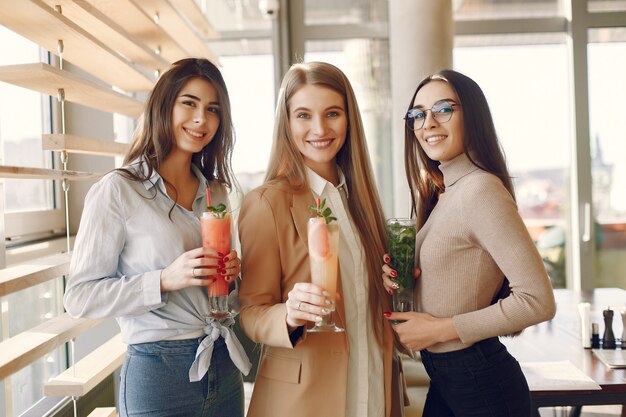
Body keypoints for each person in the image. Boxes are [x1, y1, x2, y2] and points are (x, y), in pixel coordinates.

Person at [64, 58, 251, 417]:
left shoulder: (215, 193)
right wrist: (163, 280)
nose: (201, 119)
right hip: (157, 372)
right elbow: (79, 297)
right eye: (189, 103)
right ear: (164, 105)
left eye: (212, 109)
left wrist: (232, 276)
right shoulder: (118, 191)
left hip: (222, 362)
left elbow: (226, 295)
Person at [382, 69, 556, 417]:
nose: (427, 122)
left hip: (481, 382)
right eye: (418, 114)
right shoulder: (445, 191)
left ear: (472, 115)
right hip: (449, 378)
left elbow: (538, 301)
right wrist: (396, 280)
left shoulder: (480, 189)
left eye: (443, 109)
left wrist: (439, 329)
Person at [238, 61, 406, 417]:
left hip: (374, 387)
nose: (319, 128)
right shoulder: (267, 203)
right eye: (303, 115)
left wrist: (394, 284)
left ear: (349, 119)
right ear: (286, 123)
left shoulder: (362, 204)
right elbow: (250, 313)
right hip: (303, 402)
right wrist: (289, 313)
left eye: (332, 113)